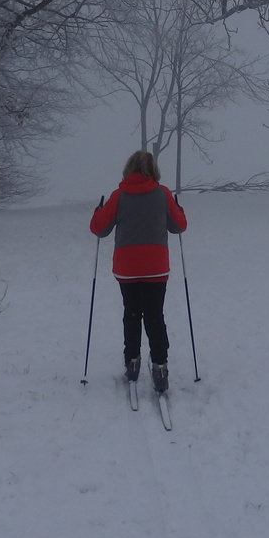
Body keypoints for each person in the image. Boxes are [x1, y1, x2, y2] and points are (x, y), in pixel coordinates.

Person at [89, 150, 188, 393]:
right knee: (155, 315)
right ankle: (160, 367)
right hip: (155, 266)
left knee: (132, 313)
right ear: (153, 170)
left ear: (128, 168)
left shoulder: (119, 195)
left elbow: (99, 229)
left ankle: (132, 361)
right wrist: (178, 209)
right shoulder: (163, 194)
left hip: (127, 266)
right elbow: (179, 227)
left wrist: (98, 211)